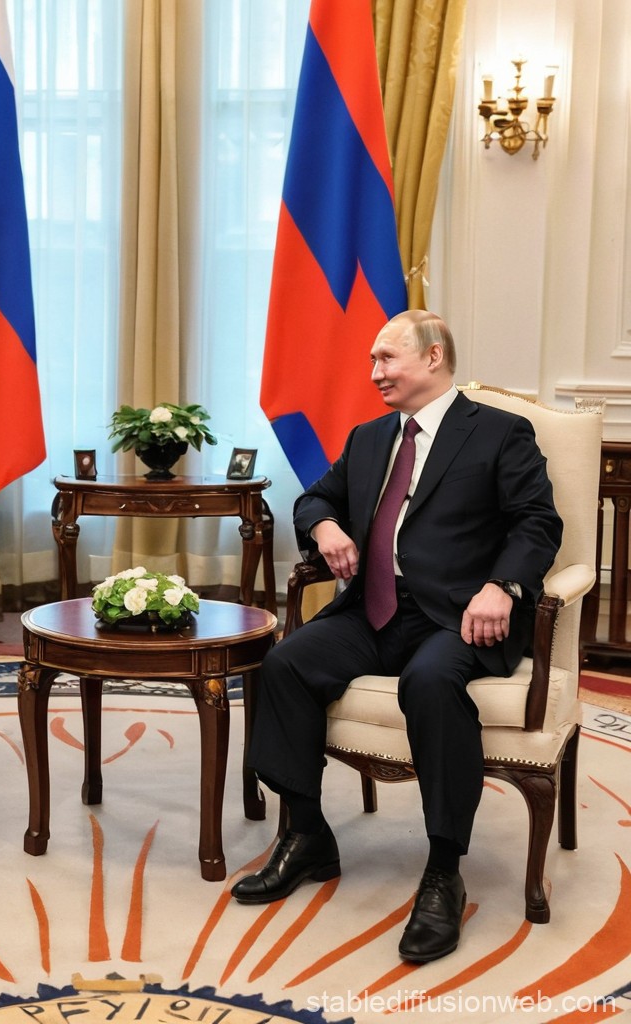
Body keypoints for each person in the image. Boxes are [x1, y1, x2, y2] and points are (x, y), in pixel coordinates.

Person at [234, 310, 562, 963]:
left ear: (434, 356)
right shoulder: (368, 437)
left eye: (387, 359)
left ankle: (443, 870)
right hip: (374, 610)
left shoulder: (499, 432)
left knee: (431, 682)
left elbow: (537, 523)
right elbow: (314, 500)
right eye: (373, 361)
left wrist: (503, 586)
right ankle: (306, 834)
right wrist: (325, 527)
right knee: (286, 665)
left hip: (460, 614)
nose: (375, 372)